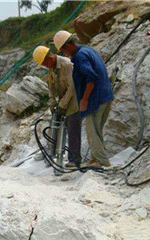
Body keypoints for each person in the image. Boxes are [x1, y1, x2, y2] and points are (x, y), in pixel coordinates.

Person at [53, 30, 114, 168]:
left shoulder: (80, 56)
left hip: (96, 98)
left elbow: (91, 77)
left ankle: (102, 161)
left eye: (63, 50)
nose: (64, 54)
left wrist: (85, 99)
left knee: (91, 130)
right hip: (105, 95)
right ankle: (95, 158)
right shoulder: (87, 50)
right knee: (96, 130)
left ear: (68, 46)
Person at [32, 45, 82, 168]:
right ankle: (53, 154)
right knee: (57, 126)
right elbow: (51, 86)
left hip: (74, 102)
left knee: (73, 130)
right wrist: (52, 100)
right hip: (63, 101)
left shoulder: (66, 64)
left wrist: (62, 105)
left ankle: (75, 160)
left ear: (50, 58)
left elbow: (72, 88)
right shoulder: (52, 68)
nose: (45, 66)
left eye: (44, 63)